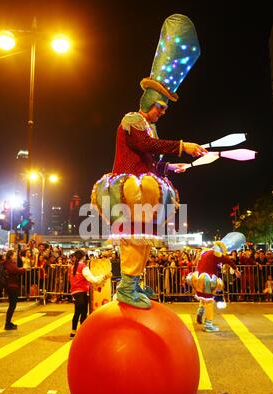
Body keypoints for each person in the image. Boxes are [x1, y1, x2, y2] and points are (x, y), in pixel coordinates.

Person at [92, 14, 206, 309]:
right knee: (132, 238)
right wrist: (182, 146)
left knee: (141, 239)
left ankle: (135, 283)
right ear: (148, 103)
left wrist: (170, 167)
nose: (163, 111)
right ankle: (127, 288)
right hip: (128, 190)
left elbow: (151, 159)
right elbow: (144, 145)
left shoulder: (150, 126)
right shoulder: (132, 120)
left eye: (165, 108)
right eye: (160, 106)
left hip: (142, 189)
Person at [188, 233, 244, 332]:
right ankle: (208, 324)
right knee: (209, 302)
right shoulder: (216, 254)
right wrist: (236, 270)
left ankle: (200, 311)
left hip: (197, 279)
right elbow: (228, 260)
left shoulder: (205, 252)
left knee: (203, 298)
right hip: (207, 280)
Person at [68, 250, 111, 338]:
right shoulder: (83, 267)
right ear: (83, 257)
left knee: (77, 312)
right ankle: (81, 332)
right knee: (83, 312)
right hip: (82, 292)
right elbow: (92, 279)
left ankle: (73, 332)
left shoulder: (72, 267)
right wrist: (104, 276)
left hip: (75, 292)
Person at [4, 250, 25, 330]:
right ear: (10, 256)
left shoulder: (9, 263)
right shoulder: (9, 263)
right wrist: (23, 270)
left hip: (12, 286)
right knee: (12, 305)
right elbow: (14, 270)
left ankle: (8, 322)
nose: (15, 256)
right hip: (12, 286)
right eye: (14, 255)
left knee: (12, 305)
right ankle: (7, 323)